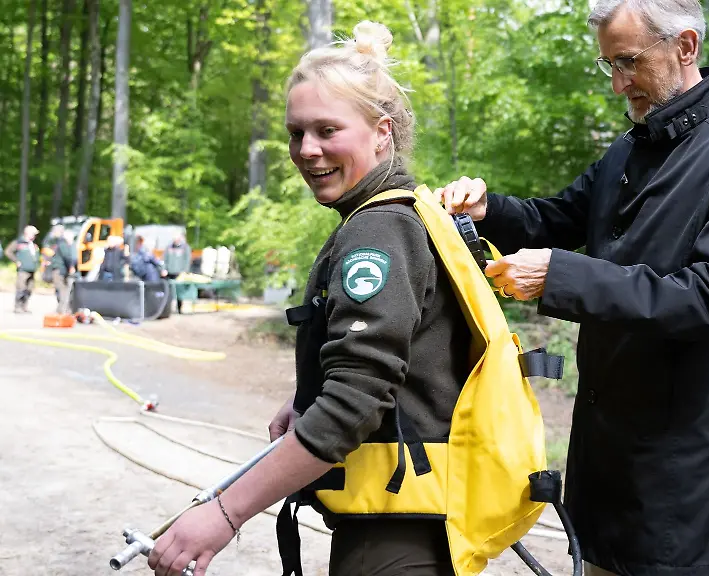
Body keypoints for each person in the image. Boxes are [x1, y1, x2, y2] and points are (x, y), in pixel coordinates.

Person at [436, 1, 709, 574]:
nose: (618, 84)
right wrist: (487, 210)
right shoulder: (631, 146)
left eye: (628, 62)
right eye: (610, 65)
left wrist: (561, 276)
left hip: (682, 478)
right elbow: (557, 218)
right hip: (604, 463)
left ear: (685, 47)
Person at [146, 21, 470, 576]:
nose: (307, 150)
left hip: (395, 534)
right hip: (408, 516)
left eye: (327, 130)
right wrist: (309, 396)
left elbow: (357, 400)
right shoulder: (406, 210)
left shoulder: (378, 230)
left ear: (382, 133)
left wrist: (224, 513)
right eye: (296, 133)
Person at [4, 225, 40, 313]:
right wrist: (16, 261)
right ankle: (18, 306)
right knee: (21, 288)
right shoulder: (19, 242)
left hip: (32, 269)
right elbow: (8, 251)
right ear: (27, 233)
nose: (34, 236)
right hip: (23, 270)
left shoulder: (33, 244)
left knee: (29, 288)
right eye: (33, 234)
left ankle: (24, 306)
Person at [49, 227, 78, 314]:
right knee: (62, 290)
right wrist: (71, 266)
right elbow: (67, 256)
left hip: (61, 270)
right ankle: (62, 310)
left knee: (62, 290)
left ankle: (62, 309)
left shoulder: (61, 243)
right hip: (59, 270)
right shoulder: (63, 244)